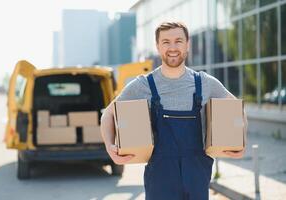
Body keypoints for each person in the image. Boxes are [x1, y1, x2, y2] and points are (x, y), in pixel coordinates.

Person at [100, 22, 247, 200]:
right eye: (166, 42)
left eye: (178, 41)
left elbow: (237, 111)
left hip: (197, 176)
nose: (172, 48)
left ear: (187, 44)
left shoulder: (206, 83)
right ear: (158, 46)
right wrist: (110, 147)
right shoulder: (143, 85)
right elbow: (108, 114)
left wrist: (239, 142)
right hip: (160, 179)